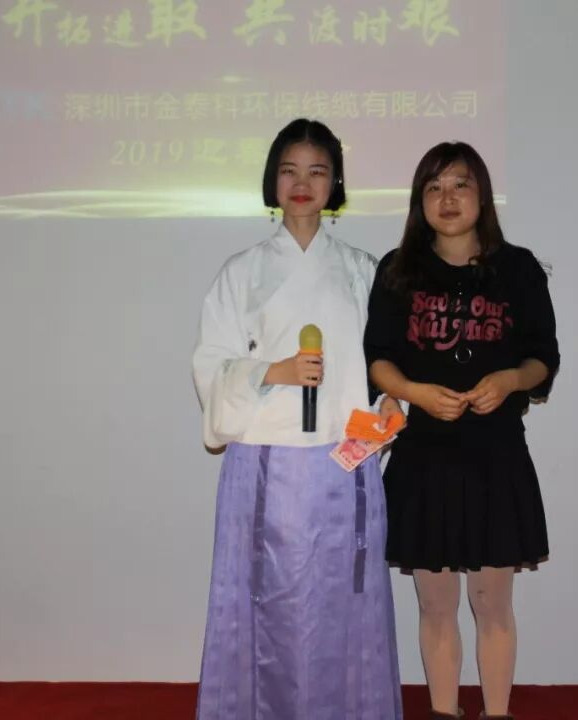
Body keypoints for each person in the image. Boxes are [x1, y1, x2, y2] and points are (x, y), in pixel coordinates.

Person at [192, 118, 403, 720]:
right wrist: (272, 371)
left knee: (344, 603)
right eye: (290, 171)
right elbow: (211, 362)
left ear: (335, 182)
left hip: (344, 462)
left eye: (317, 171)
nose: (303, 183)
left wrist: (392, 401)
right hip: (265, 465)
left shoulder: (364, 270)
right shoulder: (241, 272)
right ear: (273, 180)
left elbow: (387, 359)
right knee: (269, 602)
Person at [364, 142, 560, 720]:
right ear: (418, 201)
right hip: (424, 457)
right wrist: (416, 392)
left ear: (483, 196)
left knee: (491, 603)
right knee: (436, 605)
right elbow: (378, 358)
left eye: (460, 185)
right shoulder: (396, 270)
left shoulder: (518, 268)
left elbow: (543, 357)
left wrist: (510, 379)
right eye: (434, 187)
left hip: (495, 455)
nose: (447, 199)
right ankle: (444, 712)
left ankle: (497, 713)